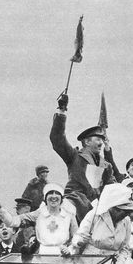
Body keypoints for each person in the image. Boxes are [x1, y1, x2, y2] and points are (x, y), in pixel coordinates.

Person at [0, 183, 78, 264]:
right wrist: (0, 209)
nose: (53, 197)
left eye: (57, 194)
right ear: (45, 198)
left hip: (63, 262)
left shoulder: (69, 216)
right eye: (50, 194)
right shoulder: (38, 214)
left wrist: (69, 249)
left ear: (61, 198)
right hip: (42, 261)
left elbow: (77, 238)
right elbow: (13, 221)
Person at [49, 94, 116, 222]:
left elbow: (111, 188)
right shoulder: (74, 156)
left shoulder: (106, 165)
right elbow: (57, 139)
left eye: (102, 139)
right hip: (74, 205)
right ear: (86, 142)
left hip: (96, 210)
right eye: (98, 139)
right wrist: (61, 111)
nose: (101, 143)